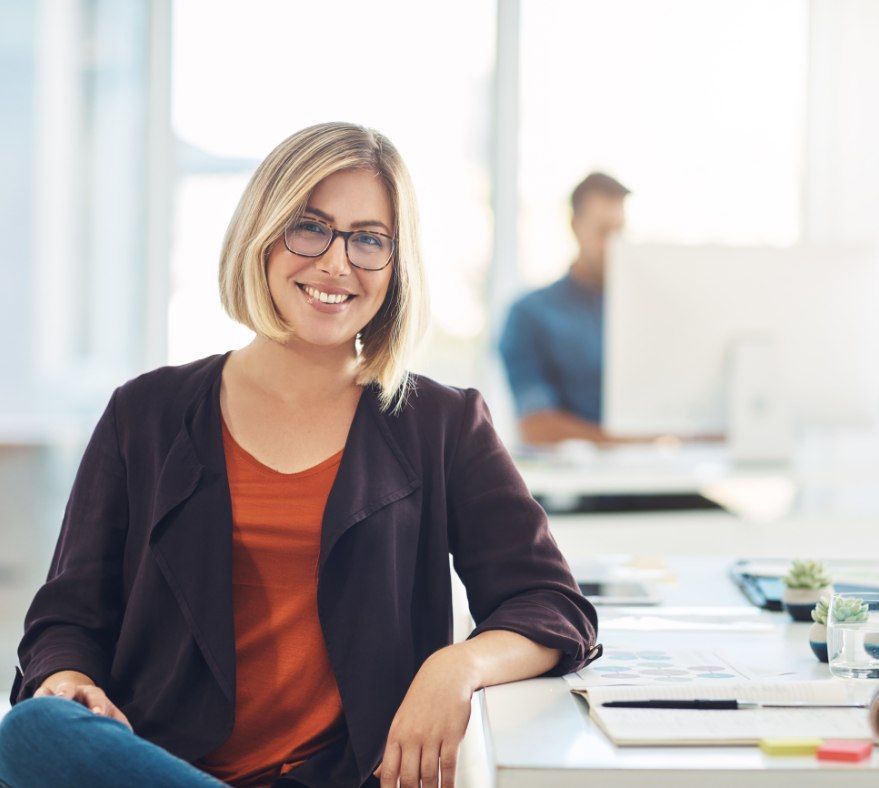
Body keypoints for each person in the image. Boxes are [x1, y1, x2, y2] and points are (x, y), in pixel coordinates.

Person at [0, 122, 601, 788]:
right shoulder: (145, 413)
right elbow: (66, 616)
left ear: (396, 265)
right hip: (162, 765)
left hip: (342, 778)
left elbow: (551, 604)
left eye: (369, 240)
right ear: (262, 233)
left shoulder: (443, 423)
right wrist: (70, 679)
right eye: (310, 228)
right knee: (32, 731)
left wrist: (454, 668)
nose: (338, 263)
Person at [498, 172, 628, 446]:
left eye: (621, 231)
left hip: (658, 475)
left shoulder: (643, 315)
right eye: (604, 231)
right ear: (575, 226)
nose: (615, 245)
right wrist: (632, 442)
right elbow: (536, 427)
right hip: (573, 484)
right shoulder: (529, 314)